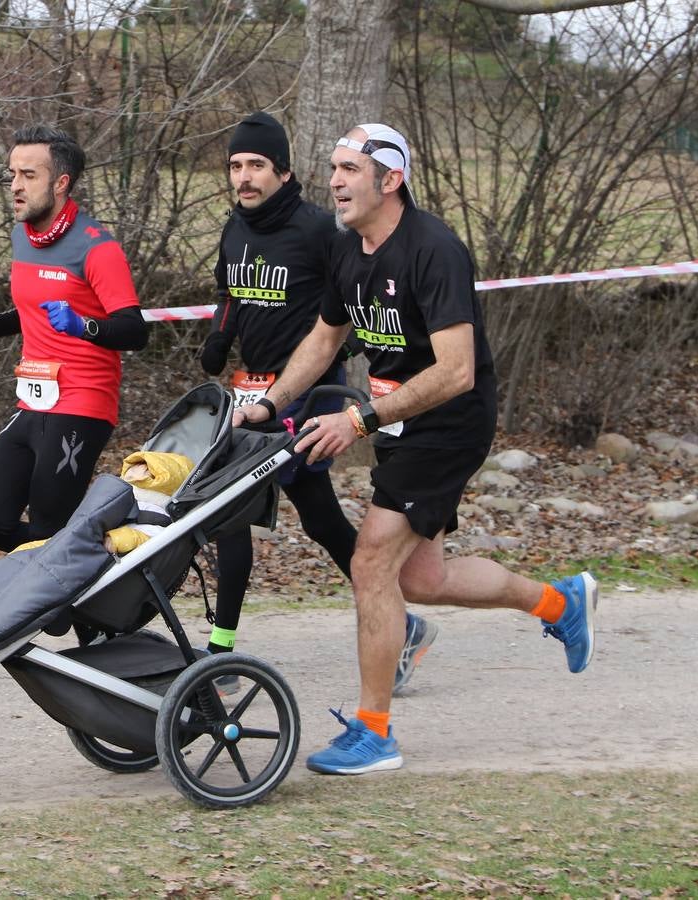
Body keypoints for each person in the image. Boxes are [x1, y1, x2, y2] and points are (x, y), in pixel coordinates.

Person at [233, 122, 598, 775]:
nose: (335, 181)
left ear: (389, 179)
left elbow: (456, 371)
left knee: (370, 561)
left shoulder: (433, 251)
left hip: (449, 420)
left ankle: (374, 731)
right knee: (418, 578)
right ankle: (559, 602)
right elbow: (322, 341)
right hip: (398, 420)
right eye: (334, 168)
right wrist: (270, 404)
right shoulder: (349, 250)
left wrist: (359, 420)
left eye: (349, 169)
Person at [201, 112, 437, 695]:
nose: (245, 177)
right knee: (282, 515)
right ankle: (225, 649)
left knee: (275, 509)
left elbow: (351, 302)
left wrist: (347, 348)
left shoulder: (317, 231)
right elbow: (232, 293)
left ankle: (221, 653)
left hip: (306, 397)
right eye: (236, 166)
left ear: (283, 171)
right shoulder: (235, 230)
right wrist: (218, 336)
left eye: (257, 165)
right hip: (254, 395)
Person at [0, 124, 147, 552]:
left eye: (28, 175)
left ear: (61, 183)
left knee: (48, 521)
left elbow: (135, 330)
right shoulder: (22, 238)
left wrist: (84, 326)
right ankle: (91, 559)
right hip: (34, 400)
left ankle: (74, 590)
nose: (15, 186)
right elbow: (32, 310)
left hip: (83, 401)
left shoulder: (98, 248)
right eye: (12, 175)